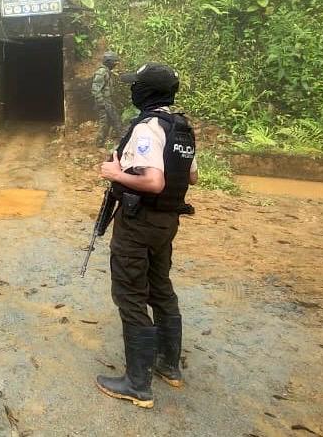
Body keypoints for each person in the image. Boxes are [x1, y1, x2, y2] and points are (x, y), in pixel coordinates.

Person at [95, 62, 197, 409]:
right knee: (160, 288)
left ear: (147, 91)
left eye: (135, 85)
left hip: (139, 223)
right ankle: (169, 366)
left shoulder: (148, 128)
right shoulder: (181, 126)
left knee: (130, 294)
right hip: (167, 222)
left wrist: (115, 173)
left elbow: (153, 181)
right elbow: (191, 177)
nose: (132, 90)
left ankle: (137, 384)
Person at [92, 51, 123, 149]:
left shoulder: (106, 71)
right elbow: (95, 89)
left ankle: (120, 141)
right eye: (114, 62)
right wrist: (102, 103)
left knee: (115, 121)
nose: (115, 65)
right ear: (108, 61)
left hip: (108, 101)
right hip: (104, 102)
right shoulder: (101, 72)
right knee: (105, 123)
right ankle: (99, 144)